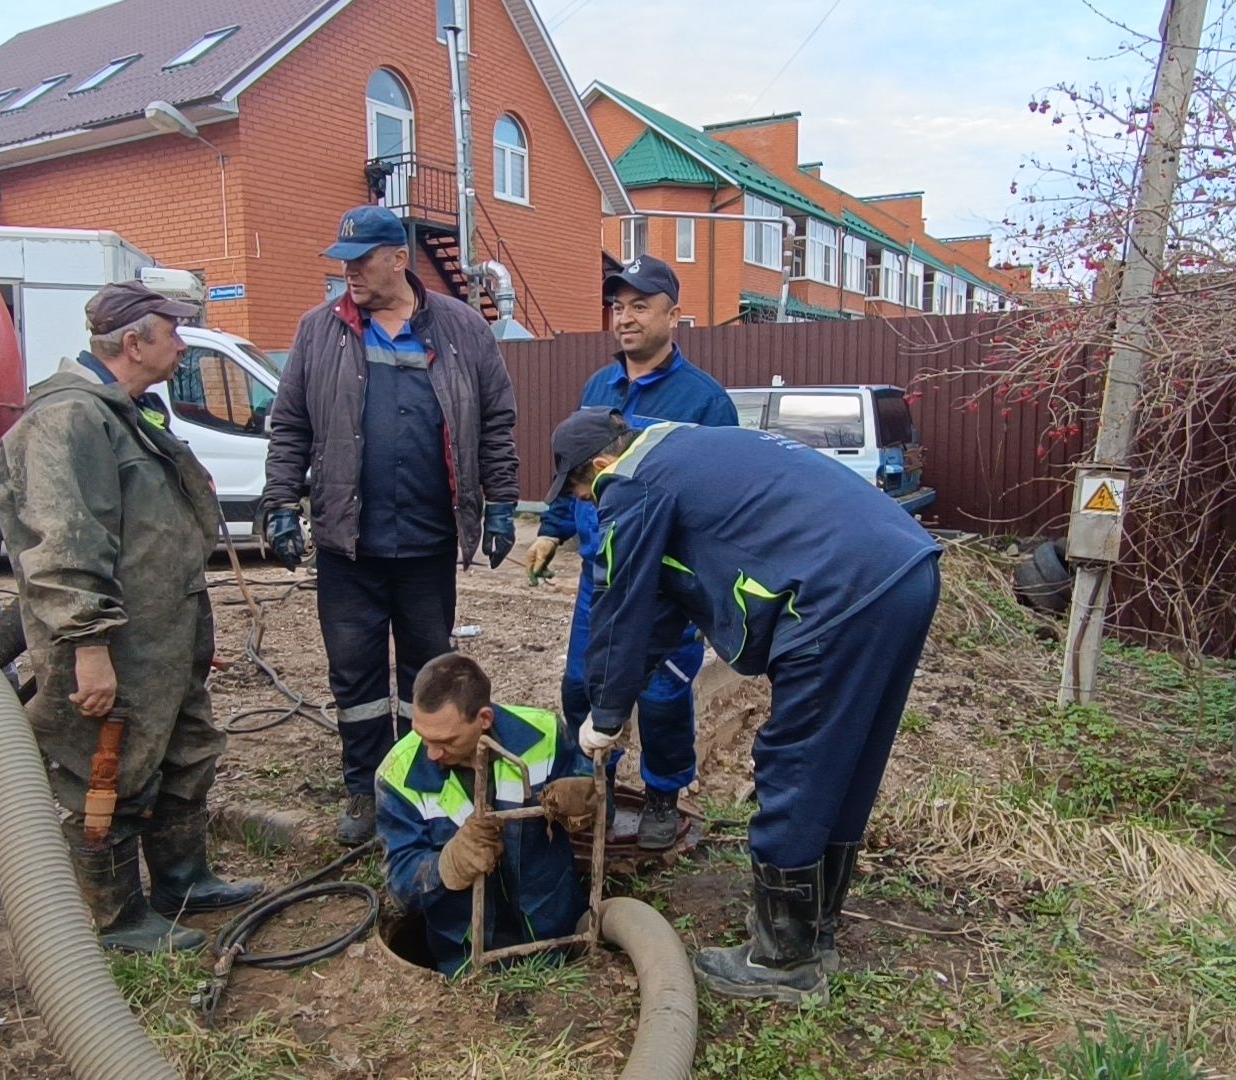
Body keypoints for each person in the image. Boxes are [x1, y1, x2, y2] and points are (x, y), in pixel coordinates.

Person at [550, 408, 942, 1003]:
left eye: (583, 491)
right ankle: (813, 933)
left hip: (838, 591)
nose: (587, 503)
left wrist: (602, 716)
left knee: (796, 762)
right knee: (844, 761)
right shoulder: (685, 451)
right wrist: (619, 699)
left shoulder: (632, 481)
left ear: (602, 465)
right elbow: (659, 611)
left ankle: (784, 962)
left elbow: (622, 600)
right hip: (902, 569)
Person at [0, 281, 262, 954]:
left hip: (163, 635)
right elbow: (65, 544)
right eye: (172, 334)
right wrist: (89, 648)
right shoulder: (68, 421)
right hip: (112, 644)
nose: (182, 346)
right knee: (107, 769)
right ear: (135, 343)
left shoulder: (129, 412)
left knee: (184, 750)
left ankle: (183, 881)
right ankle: (116, 918)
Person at [259, 205, 521, 845]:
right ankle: (367, 787)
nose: (349, 273)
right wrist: (280, 502)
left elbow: (495, 420)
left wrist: (502, 502)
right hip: (348, 544)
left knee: (427, 673)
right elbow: (289, 426)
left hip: (428, 543)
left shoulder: (462, 328)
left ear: (399, 259)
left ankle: (422, 782)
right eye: (343, 262)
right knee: (355, 676)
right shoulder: (319, 331)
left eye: (361, 261)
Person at [526, 255, 737, 851]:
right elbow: (577, 468)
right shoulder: (599, 387)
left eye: (641, 306)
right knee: (582, 683)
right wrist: (553, 529)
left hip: (668, 583)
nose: (625, 318)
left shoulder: (705, 401)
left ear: (674, 315)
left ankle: (663, 794)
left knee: (662, 692)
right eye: (618, 307)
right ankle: (597, 786)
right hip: (601, 574)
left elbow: (720, 501)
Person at [376, 653, 600, 977]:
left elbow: (596, 803)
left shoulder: (544, 734)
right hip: (464, 955)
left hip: (553, 935)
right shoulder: (398, 774)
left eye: (446, 741)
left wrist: (586, 799)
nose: (431, 753)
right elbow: (399, 882)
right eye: (423, 737)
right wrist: (446, 866)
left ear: (484, 718)